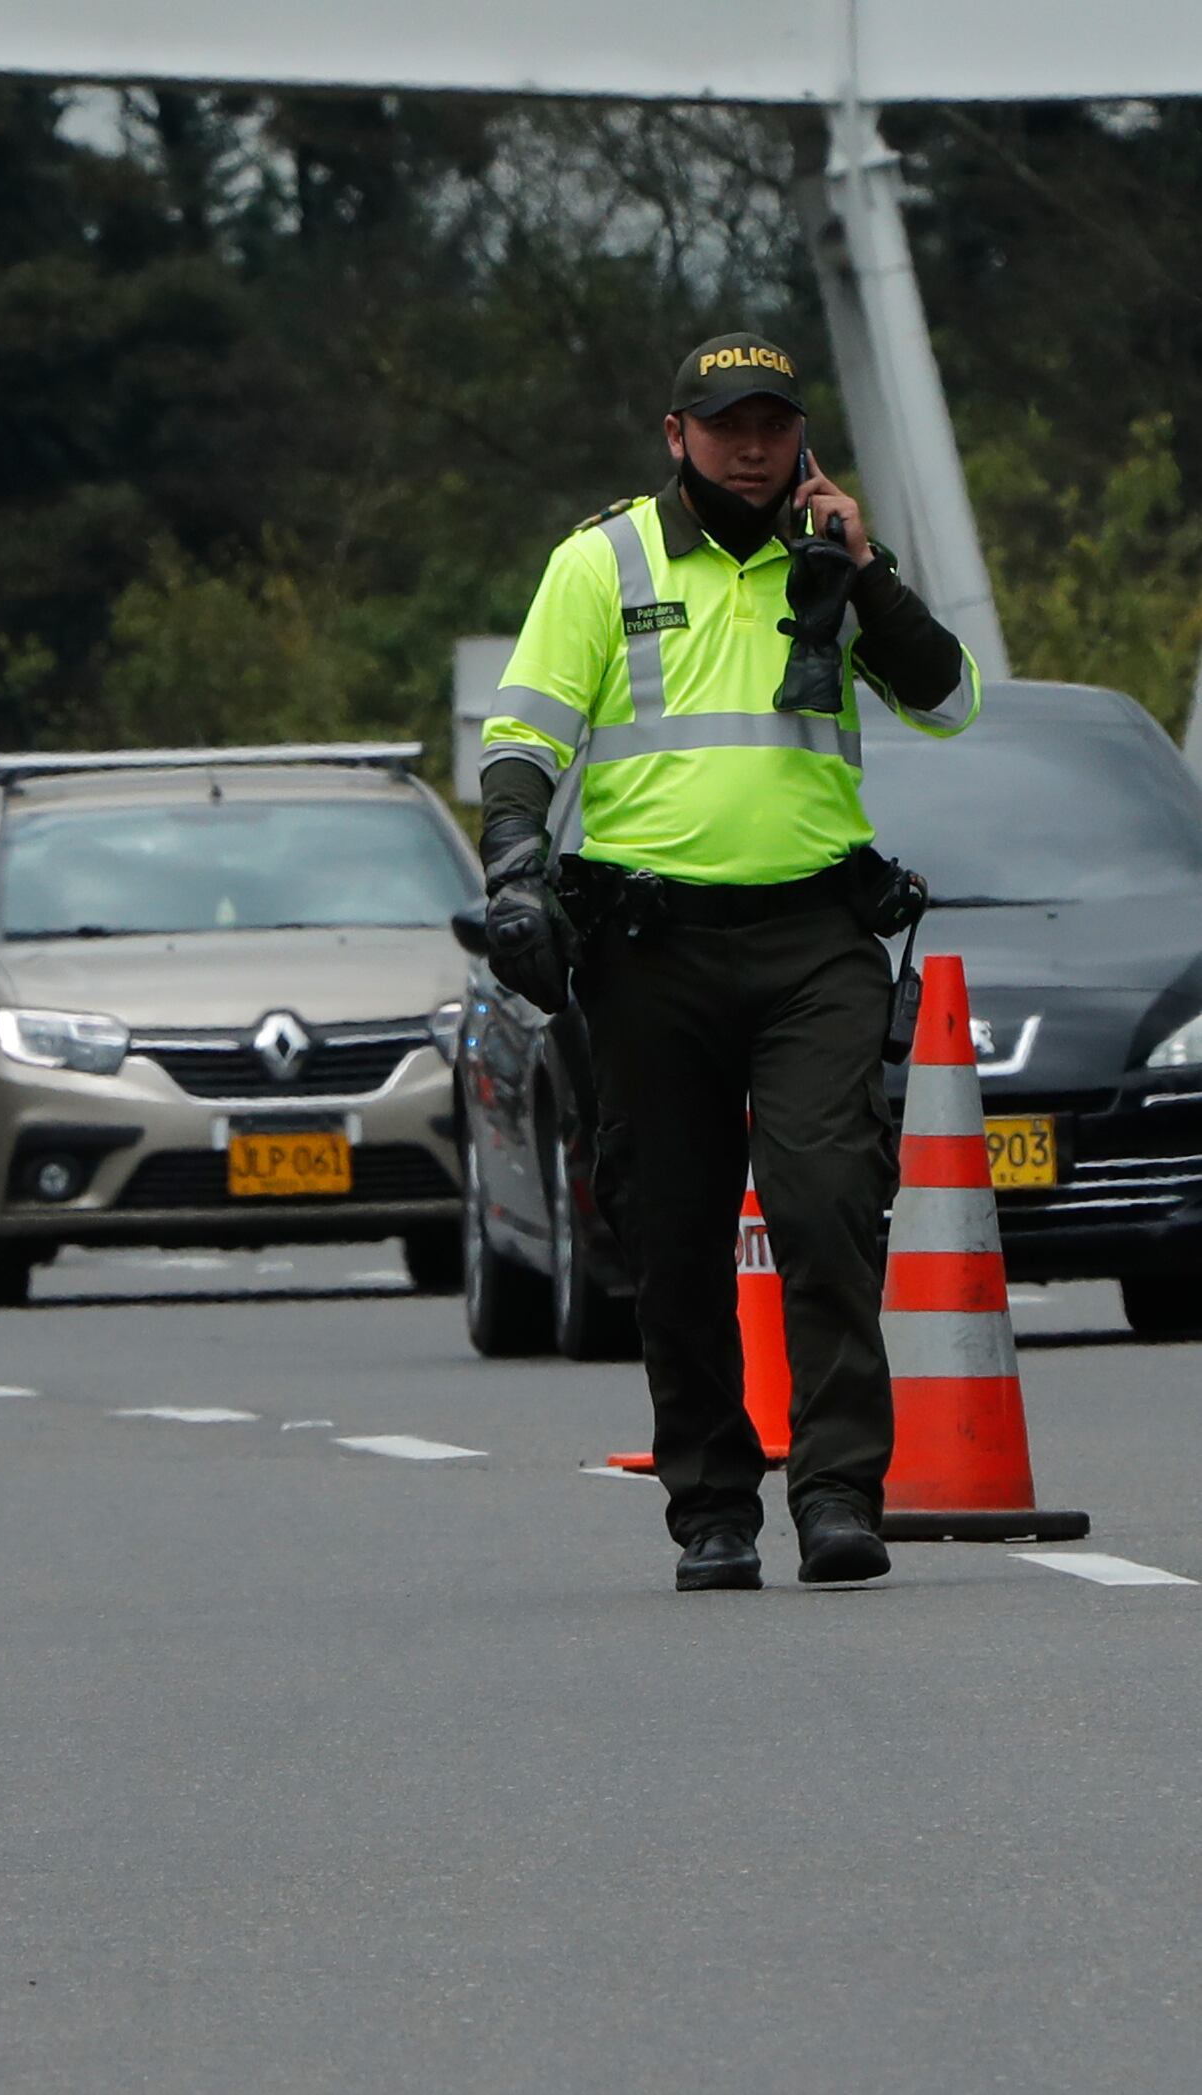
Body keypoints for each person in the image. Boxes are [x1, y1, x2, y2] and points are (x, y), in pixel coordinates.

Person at [477, 332, 978, 1593]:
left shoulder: (836, 564)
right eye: (726, 424)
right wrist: (512, 864)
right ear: (676, 435)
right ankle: (713, 1507)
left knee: (823, 1207)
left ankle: (837, 1494)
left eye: (772, 421)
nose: (751, 445)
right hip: (653, 948)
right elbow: (526, 735)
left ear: (801, 432)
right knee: (677, 1230)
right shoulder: (604, 562)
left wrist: (865, 576)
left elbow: (950, 699)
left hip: (816, 937)